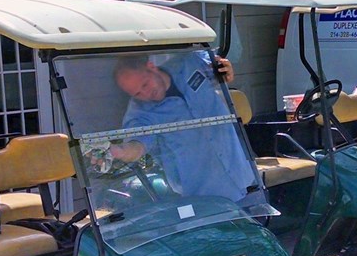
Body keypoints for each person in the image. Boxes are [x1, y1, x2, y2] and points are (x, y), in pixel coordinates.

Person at [107, 51, 257, 202]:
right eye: (138, 93)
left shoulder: (190, 63)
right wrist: (119, 151)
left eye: (145, 84)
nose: (146, 94)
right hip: (203, 198)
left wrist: (226, 68)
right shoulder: (139, 113)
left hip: (244, 176)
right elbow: (137, 144)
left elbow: (218, 65)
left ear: (151, 67)